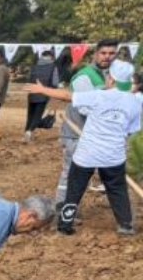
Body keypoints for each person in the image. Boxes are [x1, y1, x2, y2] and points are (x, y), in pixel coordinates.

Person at [25, 74, 139, 236]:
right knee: (117, 189)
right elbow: (131, 130)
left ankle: (65, 226)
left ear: (112, 80)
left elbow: (66, 96)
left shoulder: (99, 95)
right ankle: (125, 225)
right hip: (113, 155)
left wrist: (43, 89)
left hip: (87, 153)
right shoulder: (133, 102)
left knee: (75, 188)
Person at [55, 40, 118, 208]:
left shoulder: (109, 77)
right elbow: (85, 108)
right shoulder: (85, 76)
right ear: (96, 54)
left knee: (91, 175)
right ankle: (62, 207)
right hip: (77, 134)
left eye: (112, 53)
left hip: (95, 136)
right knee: (71, 174)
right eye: (104, 53)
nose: (107, 57)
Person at [24, 50, 58, 142]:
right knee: (37, 115)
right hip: (43, 93)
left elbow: (29, 78)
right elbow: (55, 82)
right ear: (51, 57)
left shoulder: (34, 66)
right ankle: (30, 131)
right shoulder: (53, 67)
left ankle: (26, 131)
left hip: (32, 92)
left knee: (30, 114)